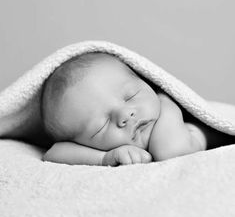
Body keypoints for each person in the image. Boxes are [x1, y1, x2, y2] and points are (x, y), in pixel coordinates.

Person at [41, 52, 234, 166]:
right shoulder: (99, 150)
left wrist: (166, 102)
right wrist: (105, 158)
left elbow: (172, 151)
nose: (125, 114)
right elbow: (53, 153)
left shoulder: (167, 113)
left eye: (131, 96)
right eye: (102, 125)